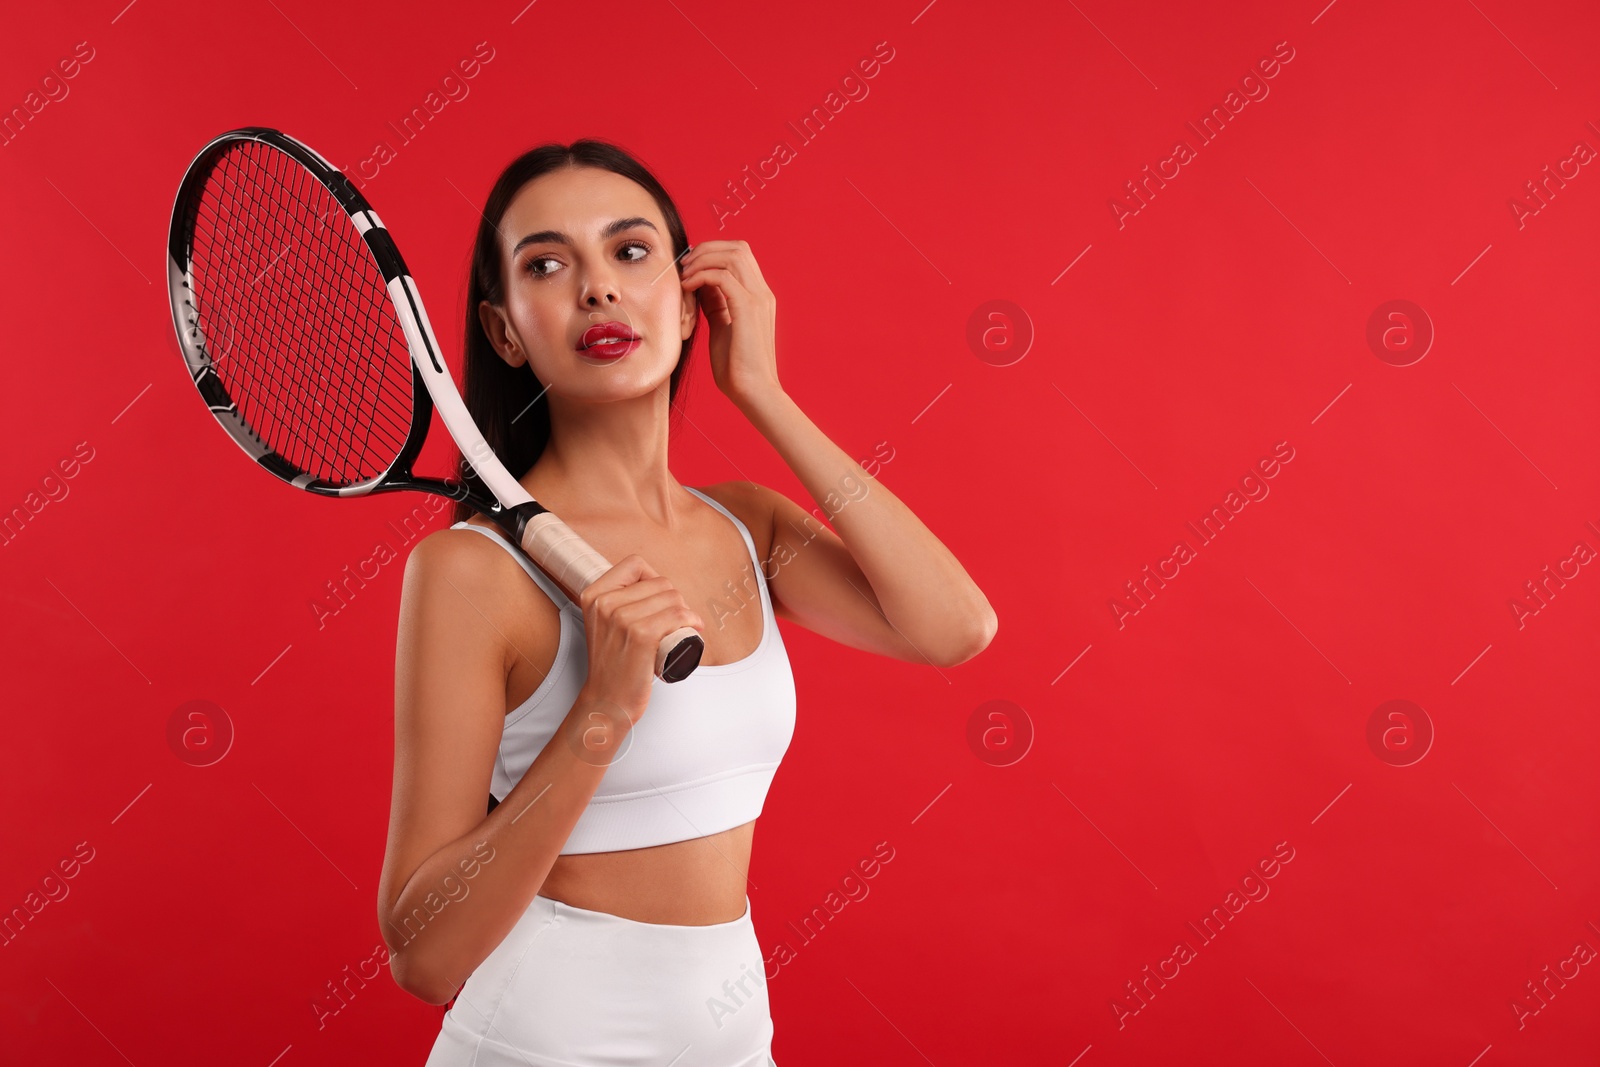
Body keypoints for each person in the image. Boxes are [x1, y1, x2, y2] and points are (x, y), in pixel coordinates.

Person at [376, 139, 998, 1066]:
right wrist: (603, 710)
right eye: (547, 264)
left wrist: (765, 393)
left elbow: (957, 628)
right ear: (505, 331)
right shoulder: (469, 572)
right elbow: (424, 953)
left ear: (690, 293)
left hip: (733, 1036)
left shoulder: (746, 525)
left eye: (630, 252)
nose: (598, 289)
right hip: (540, 1044)